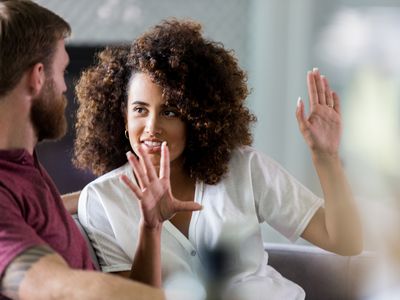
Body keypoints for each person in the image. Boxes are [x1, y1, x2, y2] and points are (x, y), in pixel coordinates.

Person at [74, 19, 363, 299]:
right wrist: (150, 227)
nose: (151, 126)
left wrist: (326, 157)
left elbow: (345, 242)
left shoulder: (244, 168)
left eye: (170, 111)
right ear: (123, 116)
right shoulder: (101, 201)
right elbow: (137, 298)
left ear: (196, 117)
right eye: (139, 109)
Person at [0, 1, 185, 299]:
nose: (64, 88)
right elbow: (49, 287)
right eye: (62, 72)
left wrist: (146, 222)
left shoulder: (24, 164)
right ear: (37, 77)